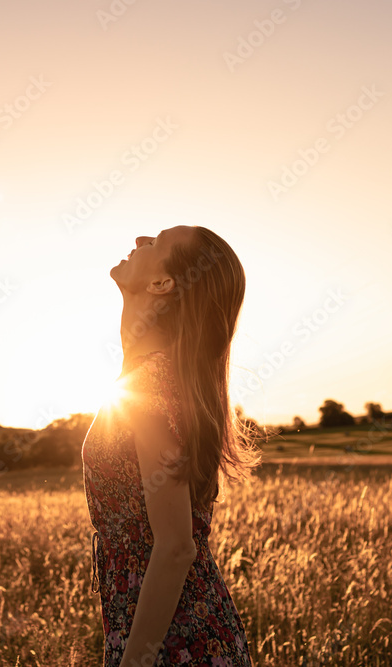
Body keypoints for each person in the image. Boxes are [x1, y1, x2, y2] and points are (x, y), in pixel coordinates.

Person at [82, 225, 261, 666]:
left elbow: (176, 546)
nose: (141, 239)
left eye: (157, 242)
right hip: (181, 633)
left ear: (162, 285)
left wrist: (134, 661)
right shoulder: (153, 379)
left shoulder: (148, 387)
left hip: (177, 645)